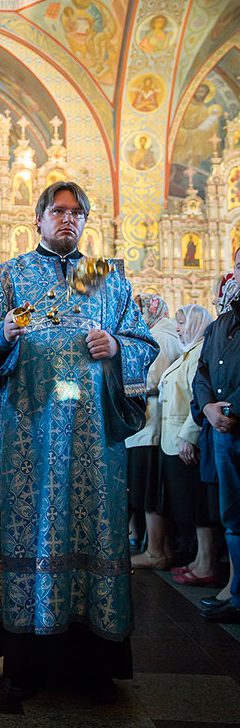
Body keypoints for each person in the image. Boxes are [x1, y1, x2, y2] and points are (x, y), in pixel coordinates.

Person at [0, 181, 158, 702]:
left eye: (76, 212)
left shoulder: (108, 278)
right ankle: (27, 656)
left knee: (91, 528)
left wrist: (117, 344)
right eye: (57, 210)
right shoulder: (6, 277)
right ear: (39, 219)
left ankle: (92, 660)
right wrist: (1, 334)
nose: (67, 219)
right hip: (28, 432)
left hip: (94, 437)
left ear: (85, 221)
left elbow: (142, 340)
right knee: (31, 527)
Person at [131, 305, 214, 571]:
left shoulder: (194, 350)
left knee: (198, 504)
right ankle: (198, 560)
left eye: (183, 323)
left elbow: (198, 396)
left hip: (180, 435)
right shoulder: (187, 350)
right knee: (186, 503)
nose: (178, 328)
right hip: (170, 436)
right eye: (177, 322)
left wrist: (189, 434)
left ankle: (205, 562)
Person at [192, 247, 240, 624]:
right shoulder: (221, 323)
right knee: (233, 517)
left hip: (234, 421)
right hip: (223, 433)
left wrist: (232, 408)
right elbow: (202, 371)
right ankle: (237, 594)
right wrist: (208, 407)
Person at [127, 296, 182, 560]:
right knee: (145, 489)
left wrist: (124, 382)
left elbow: (152, 379)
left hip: (151, 424)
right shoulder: (159, 333)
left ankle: (156, 551)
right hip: (149, 422)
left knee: (150, 490)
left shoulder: (160, 336)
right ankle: (158, 547)